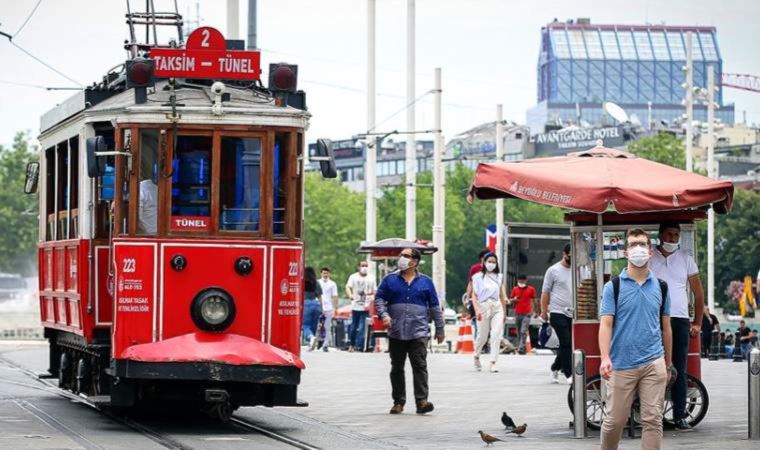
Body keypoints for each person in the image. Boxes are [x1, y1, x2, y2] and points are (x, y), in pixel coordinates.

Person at [599, 228, 673, 450]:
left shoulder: (661, 286)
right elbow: (606, 324)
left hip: (654, 361)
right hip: (621, 364)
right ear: (625, 252)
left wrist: (667, 363)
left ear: (651, 252)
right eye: (633, 245)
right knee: (615, 422)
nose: (638, 248)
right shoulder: (614, 286)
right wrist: (605, 357)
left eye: (642, 244)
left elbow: (666, 328)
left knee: (653, 420)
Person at [648, 222, 704, 431]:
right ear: (660, 235)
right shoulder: (650, 257)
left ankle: (679, 415)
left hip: (680, 319)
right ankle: (650, 414)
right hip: (653, 318)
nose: (672, 239)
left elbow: (698, 293)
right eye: (669, 235)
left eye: (676, 235)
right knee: (651, 366)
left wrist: (697, 322)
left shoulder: (686, 259)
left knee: (678, 368)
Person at [375, 248, 445, 415]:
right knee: (397, 368)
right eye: (401, 255)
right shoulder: (389, 280)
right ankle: (398, 402)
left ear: (415, 261)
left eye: (406, 256)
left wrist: (440, 328)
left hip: (419, 332)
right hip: (396, 331)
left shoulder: (426, 282)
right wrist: (384, 315)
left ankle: (422, 401)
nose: (402, 258)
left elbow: (435, 307)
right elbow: (379, 299)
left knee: (420, 366)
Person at [540, 243, 573, 384]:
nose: (572, 258)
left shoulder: (579, 269)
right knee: (565, 343)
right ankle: (569, 373)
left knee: (571, 344)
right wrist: (544, 311)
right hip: (557, 311)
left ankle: (555, 367)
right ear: (564, 254)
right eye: (570, 255)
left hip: (574, 312)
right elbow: (545, 292)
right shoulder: (553, 271)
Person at [471, 253, 509, 373]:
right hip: (483, 307)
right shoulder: (477, 277)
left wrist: (504, 312)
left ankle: (493, 362)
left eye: (494, 262)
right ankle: (476, 356)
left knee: (496, 334)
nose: (491, 264)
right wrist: (477, 310)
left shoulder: (499, 277)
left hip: (497, 307)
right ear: (484, 262)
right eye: (489, 261)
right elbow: (474, 295)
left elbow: (502, 295)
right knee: (482, 337)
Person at [345, 260, 376, 352]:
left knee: (363, 327)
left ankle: (361, 345)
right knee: (354, 326)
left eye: (366, 266)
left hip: (366, 306)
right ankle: (352, 344)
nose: (364, 267)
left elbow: (375, 290)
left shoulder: (371, 278)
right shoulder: (353, 277)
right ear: (358, 267)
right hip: (356, 306)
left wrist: (373, 296)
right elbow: (348, 287)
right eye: (362, 265)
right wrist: (350, 295)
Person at [510, 274, 537, 354]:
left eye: (523, 280)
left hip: (527, 313)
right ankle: (521, 347)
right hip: (517, 313)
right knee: (518, 331)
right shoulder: (515, 289)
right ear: (518, 280)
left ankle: (521, 347)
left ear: (526, 280)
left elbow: (534, 300)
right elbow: (511, 300)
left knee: (523, 330)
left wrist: (536, 311)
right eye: (520, 280)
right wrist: (514, 299)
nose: (521, 281)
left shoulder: (531, 289)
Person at [465, 249, 491, 331]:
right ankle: (479, 342)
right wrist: (467, 298)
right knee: (477, 321)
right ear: (481, 258)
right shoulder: (475, 268)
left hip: (489, 299)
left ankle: (485, 340)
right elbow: (470, 284)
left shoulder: (492, 269)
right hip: (477, 299)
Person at [317, 267, 339, 352]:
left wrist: (335, 307)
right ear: (321, 274)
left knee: (327, 326)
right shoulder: (318, 282)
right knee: (318, 325)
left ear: (329, 274)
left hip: (328, 307)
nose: (325, 275)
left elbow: (335, 296)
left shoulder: (332, 284)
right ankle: (318, 341)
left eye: (327, 273)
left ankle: (325, 344)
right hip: (318, 306)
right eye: (324, 273)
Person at [302, 267, 322, 349]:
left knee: (305, 325)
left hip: (306, 304)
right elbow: (320, 296)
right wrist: (322, 308)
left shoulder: (302, 281)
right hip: (316, 304)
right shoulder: (316, 283)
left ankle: (310, 337)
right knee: (313, 326)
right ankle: (311, 343)